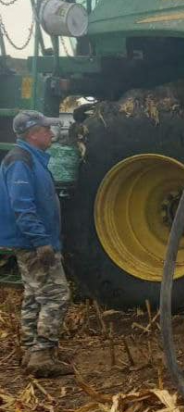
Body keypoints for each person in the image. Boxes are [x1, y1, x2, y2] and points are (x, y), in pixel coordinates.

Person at [0, 110, 72, 377]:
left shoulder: (30, 159)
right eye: (45, 129)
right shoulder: (21, 161)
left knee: (33, 296)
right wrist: (42, 242)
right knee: (57, 295)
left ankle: (32, 352)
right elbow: (22, 207)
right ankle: (42, 354)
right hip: (33, 243)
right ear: (32, 133)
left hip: (32, 240)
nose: (51, 133)